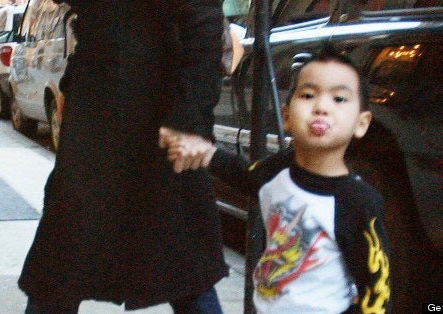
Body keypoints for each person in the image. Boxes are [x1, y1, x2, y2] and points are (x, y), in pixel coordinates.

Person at [18, 1, 228, 313]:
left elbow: (202, 28)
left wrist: (188, 122)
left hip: (159, 110)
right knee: (60, 261)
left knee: (183, 265)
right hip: (97, 112)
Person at [164, 45, 392, 313]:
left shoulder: (358, 202)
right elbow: (246, 175)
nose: (321, 107)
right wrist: (206, 153)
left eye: (339, 99)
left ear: (361, 123)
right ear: (286, 117)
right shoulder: (279, 169)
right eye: (308, 95)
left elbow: (377, 289)